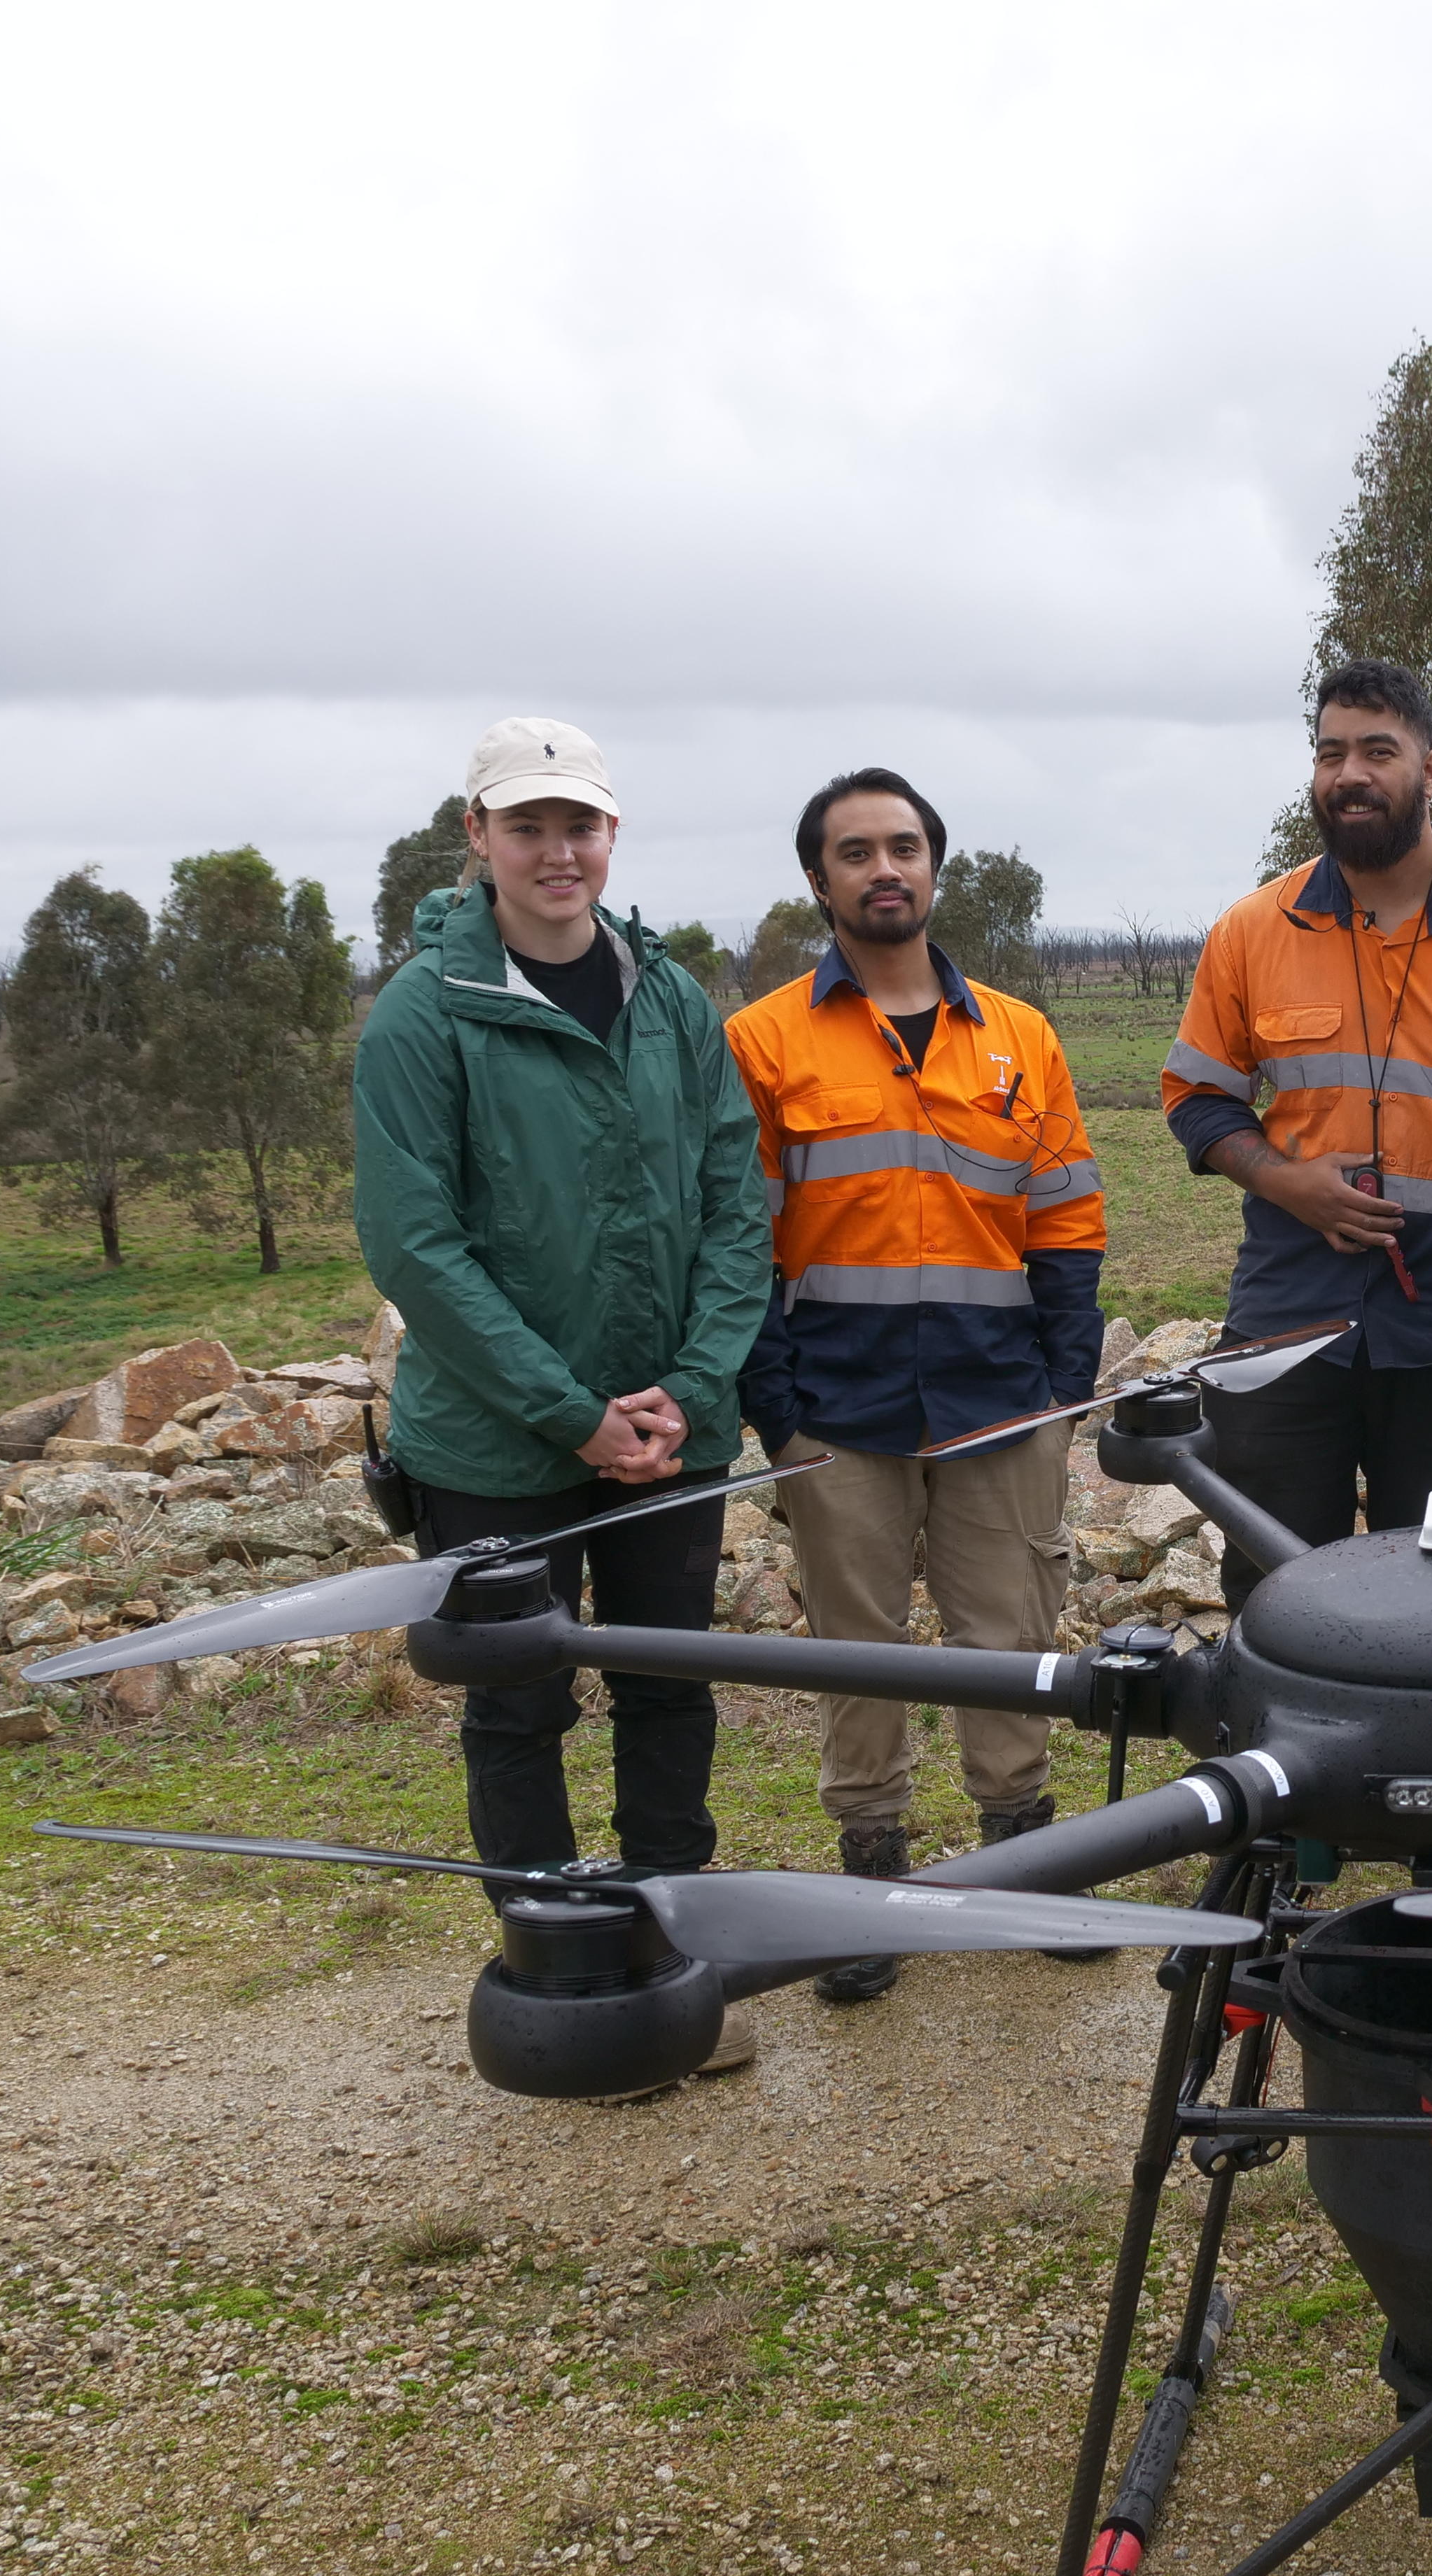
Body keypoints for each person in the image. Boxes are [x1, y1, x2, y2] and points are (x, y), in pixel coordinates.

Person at [353, 716, 771, 2068]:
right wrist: (571, 1411)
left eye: (578, 824)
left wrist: (690, 1386)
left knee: (668, 1686)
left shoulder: (671, 996)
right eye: (526, 825)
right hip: (493, 1442)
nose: (557, 850)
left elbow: (732, 1199)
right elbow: (418, 1244)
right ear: (476, 837)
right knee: (517, 1700)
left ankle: (669, 1947)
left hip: (672, 1426)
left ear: (610, 835)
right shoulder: (424, 1015)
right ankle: (552, 1975)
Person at [730, 767, 1104, 2002]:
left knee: (1012, 1640)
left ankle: (1027, 1870)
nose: (883, 868)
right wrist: (774, 1409)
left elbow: (1067, 1225)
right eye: (856, 852)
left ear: (935, 868)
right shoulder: (764, 1041)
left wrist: (1063, 1382)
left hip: (1003, 1402)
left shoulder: (1021, 1036)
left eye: (904, 847)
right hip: (838, 1416)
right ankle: (870, 1887)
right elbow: (736, 1243)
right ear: (819, 879)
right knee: (860, 1652)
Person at [1162, 660, 1432, 1602]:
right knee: (1278, 1587)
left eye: (1379, 750)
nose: (1351, 773)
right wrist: (1290, 1182)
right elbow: (1198, 1099)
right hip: (1286, 1313)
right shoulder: (1253, 929)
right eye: (1331, 752)